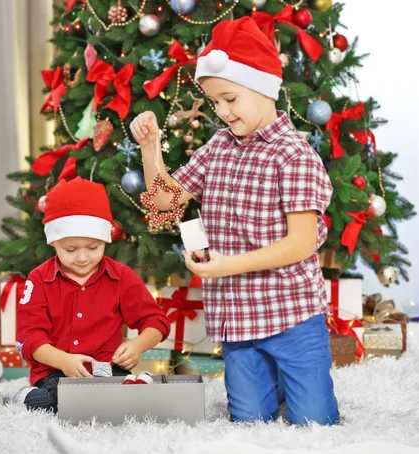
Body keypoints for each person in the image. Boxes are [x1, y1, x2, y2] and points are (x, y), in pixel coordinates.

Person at [130, 16, 338, 426]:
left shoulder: (294, 155)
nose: (222, 112)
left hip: (292, 316)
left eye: (230, 99)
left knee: (315, 425)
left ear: (262, 86)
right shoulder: (218, 147)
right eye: (214, 103)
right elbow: (165, 204)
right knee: (248, 424)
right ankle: (272, 385)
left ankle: (291, 380)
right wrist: (150, 149)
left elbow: (300, 244)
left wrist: (227, 265)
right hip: (239, 321)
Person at [14, 177, 171, 412]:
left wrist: (138, 345)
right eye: (70, 249)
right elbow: (29, 337)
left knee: (129, 402)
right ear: (53, 241)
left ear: (105, 240)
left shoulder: (121, 276)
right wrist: (64, 361)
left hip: (108, 369)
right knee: (63, 404)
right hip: (56, 371)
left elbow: (156, 321)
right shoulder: (38, 279)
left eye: (93, 248)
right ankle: (25, 397)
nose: (82, 258)